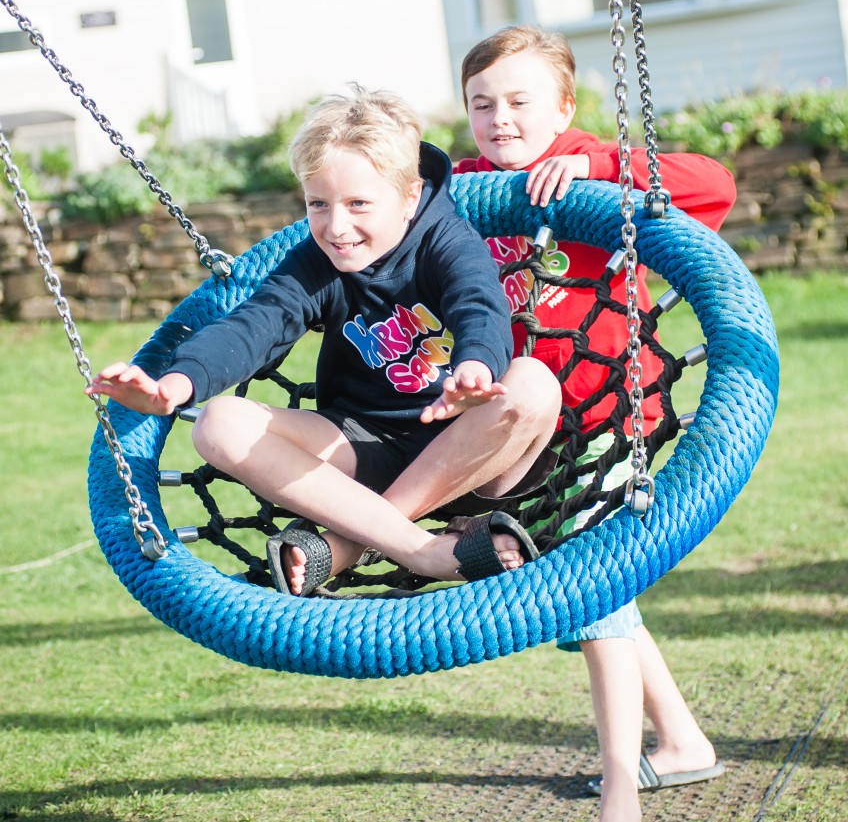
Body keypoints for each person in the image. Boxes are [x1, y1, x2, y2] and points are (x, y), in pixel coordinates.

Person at [86, 83, 562, 597]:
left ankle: (347, 546)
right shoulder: (319, 263)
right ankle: (420, 548)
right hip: (364, 448)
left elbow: (479, 303)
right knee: (219, 424)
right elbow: (255, 325)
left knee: (533, 384)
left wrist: (477, 366)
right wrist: (176, 384)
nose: (337, 227)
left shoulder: (445, 242)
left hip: (471, 454)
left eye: (359, 203)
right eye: (318, 204)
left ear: (407, 197)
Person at [454, 26, 736, 822]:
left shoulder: (589, 167)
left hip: (612, 420)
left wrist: (596, 168)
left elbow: (713, 184)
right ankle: (680, 741)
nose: (500, 118)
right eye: (482, 104)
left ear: (564, 107)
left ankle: (620, 785)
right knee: (588, 589)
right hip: (526, 433)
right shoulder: (472, 185)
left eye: (518, 101)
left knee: (592, 588)